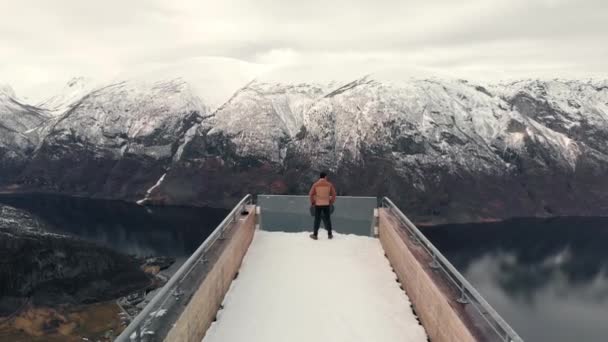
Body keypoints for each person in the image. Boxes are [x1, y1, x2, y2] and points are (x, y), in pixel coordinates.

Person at [308, 172, 337, 240]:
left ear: (320, 177)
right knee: (328, 219)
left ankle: (315, 235)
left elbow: (311, 194)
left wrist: (313, 202)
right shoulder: (329, 184)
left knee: (317, 220)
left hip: (318, 205)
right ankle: (330, 234)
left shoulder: (315, 184)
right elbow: (334, 194)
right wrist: (331, 202)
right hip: (326, 204)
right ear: (325, 177)